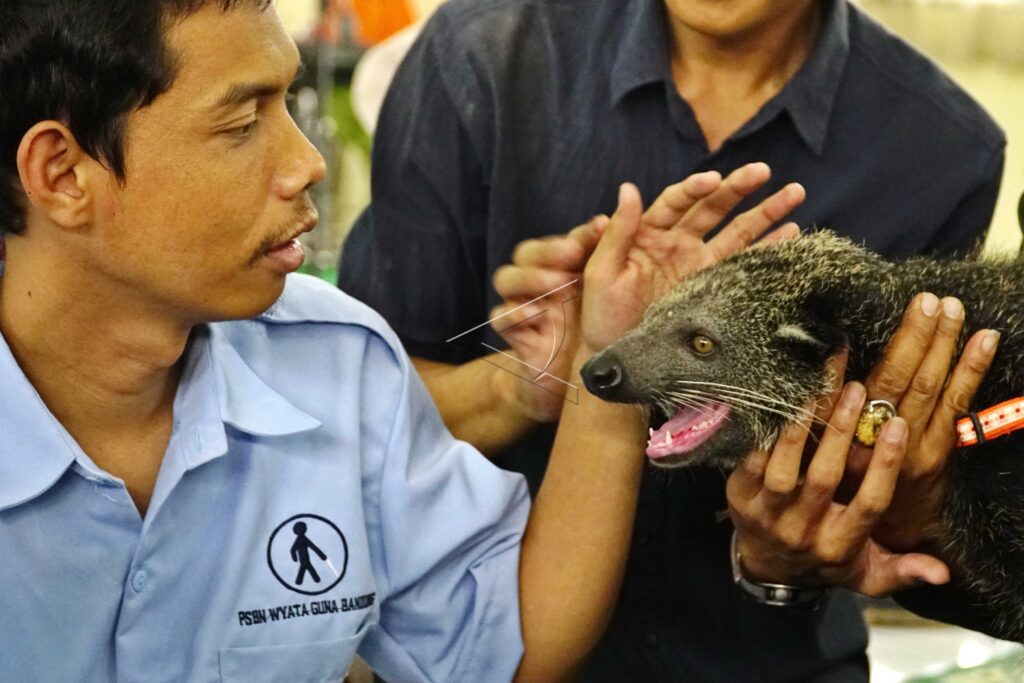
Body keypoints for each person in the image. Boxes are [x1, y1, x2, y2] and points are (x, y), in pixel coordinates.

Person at [0, 3, 826, 681]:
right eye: (243, 123)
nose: (306, 163)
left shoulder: (337, 361)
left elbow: (508, 640)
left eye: (289, 106)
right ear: (64, 174)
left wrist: (611, 357)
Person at [338, 0, 1007, 679]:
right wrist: (526, 380)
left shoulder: (946, 150)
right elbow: (346, 427)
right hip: (472, 655)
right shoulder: (483, 58)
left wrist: (801, 553)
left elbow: (929, 482)